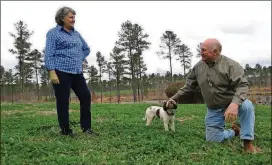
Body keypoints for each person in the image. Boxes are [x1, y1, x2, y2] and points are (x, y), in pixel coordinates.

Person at [170, 38, 257, 153]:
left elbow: (243, 85)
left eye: (204, 50)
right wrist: (173, 98)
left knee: (247, 106)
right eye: (201, 50)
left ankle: (247, 143)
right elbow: (188, 86)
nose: (201, 52)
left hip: (231, 104)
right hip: (214, 109)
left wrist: (235, 104)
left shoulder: (231, 65)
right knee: (213, 140)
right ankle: (234, 132)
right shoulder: (198, 67)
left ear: (215, 51)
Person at [45, 6, 98, 136]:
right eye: (70, 17)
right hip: (60, 71)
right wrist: (52, 71)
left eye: (74, 17)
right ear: (62, 18)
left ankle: (86, 128)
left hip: (76, 71)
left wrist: (78, 58)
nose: (73, 19)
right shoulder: (53, 33)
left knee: (85, 96)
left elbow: (86, 48)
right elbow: (48, 54)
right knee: (63, 100)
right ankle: (65, 130)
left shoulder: (76, 34)